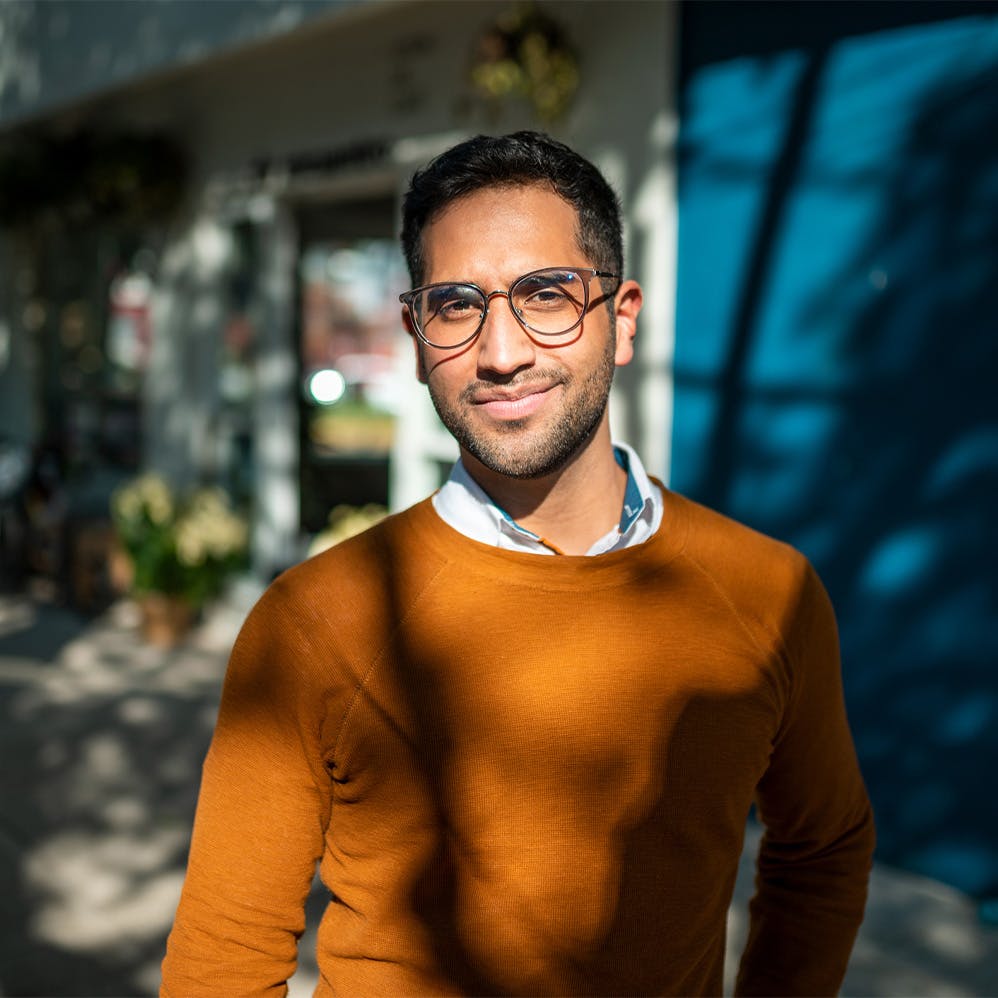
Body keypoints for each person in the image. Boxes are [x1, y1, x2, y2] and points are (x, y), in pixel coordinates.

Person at [161, 131, 874, 997]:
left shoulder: (768, 592)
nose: (502, 353)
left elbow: (825, 849)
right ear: (418, 337)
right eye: (458, 305)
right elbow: (223, 963)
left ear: (622, 319)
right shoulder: (316, 619)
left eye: (547, 295)